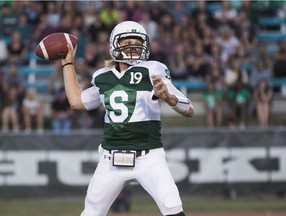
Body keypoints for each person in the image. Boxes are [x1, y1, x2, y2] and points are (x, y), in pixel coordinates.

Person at [60, 21, 194, 216]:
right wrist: (67, 64)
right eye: (127, 41)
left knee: (173, 208)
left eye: (137, 41)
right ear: (115, 45)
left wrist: (169, 98)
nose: (133, 45)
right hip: (110, 158)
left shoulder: (153, 70)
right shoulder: (102, 76)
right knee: (91, 212)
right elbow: (77, 102)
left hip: (148, 156)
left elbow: (189, 109)